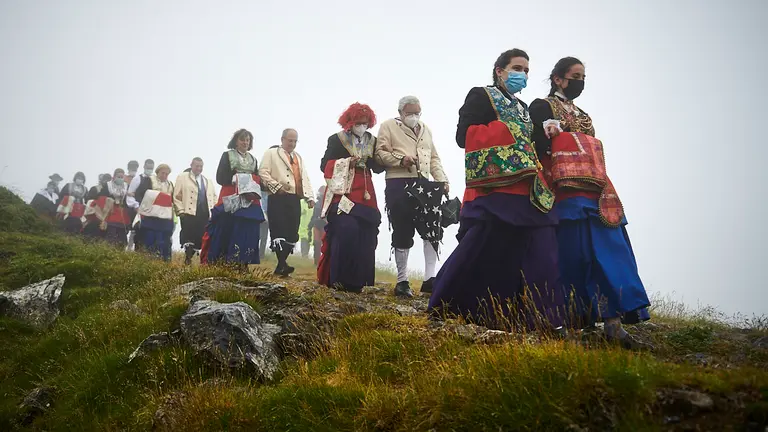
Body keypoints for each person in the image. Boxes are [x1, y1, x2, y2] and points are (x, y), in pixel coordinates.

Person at [428, 49, 565, 332]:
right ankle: (451, 303)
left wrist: (544, 132)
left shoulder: (524, 108)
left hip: (527, 188)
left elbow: (531, 144)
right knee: (485, 246)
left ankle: (531, 315)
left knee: (534, 248)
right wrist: (509, 130)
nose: (523, 74)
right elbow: (463, 135)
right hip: (496, 186)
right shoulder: (481, 95)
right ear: (499, 70)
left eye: (527, 70)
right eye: (517, 68)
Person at [529, 57, 651, 349]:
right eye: (575, 75)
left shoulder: (584, 114)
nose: (580, 81)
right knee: (574, 255)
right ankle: (577, 321)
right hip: (564, 191)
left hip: (595, 189)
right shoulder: (541, 106)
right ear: (558, 79)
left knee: (610, 250)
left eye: (583, 76)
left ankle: (613, 322)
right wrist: (550, 139)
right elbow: (535, 144)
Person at [376, 96, 450, 297]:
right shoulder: (388, 126)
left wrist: (442, 180)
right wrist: (401, 160)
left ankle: (429, 279)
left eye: (417, 112)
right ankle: (402, 280)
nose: (414, 116)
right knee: (402, 230)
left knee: (432, 229)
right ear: (400, 112)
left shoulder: (426, 129)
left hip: (424, 184)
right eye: (410, 113)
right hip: (399, 183)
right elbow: (380, 154)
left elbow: (434, 158)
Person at [317, 103, 383, 292]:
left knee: (367, 232)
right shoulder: (337, 140)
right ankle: (339, 279)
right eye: (358, 123)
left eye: (365, 123)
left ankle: (359, 281)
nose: (362, 126)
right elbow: (324, 165)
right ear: (350, 122)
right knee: (347, 229)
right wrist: (347, 163)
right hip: (343, 192)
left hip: (366, 192)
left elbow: (377, 167)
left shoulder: (372, 141)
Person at [200, 129, 265, 270]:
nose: (245, 142)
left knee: (247, 229)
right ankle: (223, 259)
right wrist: (233, 178)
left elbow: (257, 177)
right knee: (226, 226)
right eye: (242, 139)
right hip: (231, 194)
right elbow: (220, 177)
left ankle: (243, 261)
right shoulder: (227, 156)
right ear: (236, 141)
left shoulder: (253, 160)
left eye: (248, 140)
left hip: (249, 200)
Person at [259, 128, 315, 276]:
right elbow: (263, 172)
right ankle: (282, 264)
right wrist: (276, 187)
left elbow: (304, 177)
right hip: (277, 197)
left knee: (292, 232)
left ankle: (281, 264)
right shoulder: (271, 153)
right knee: (279, 230)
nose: (292, 143)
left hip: (294, 198)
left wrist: (309, 197)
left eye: (295, 141)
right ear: (282, 139)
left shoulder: (298, 157)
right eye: (290, 140)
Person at [174, 157, 217, 265]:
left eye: (201, 166)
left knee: (201, 237)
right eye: (196, 166)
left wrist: (214, 212)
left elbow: (214, 197)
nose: (199, 168)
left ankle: (198, 259)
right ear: (191, 165)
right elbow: (176, 196)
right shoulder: (183, 177)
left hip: (203, 213)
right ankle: (187, 259)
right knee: (189, 237)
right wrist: (180, 211)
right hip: (188, 212)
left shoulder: (207, 181)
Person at [134, 164, 175, 261]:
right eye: (162, 173)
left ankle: (163, 260)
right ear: (157, 172)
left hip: (164, 218)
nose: (164, 175)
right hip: (150, 217)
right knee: (150, 238)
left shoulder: (170, 184)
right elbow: (140, 195)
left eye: (166, 174)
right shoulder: (149, 180)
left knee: (164, 240)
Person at [127, 159, 156, 250]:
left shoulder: (155, 180)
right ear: (144, 167)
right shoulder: (137, 179)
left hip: (150, 211)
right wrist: (135, 206)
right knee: (135, 230)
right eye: (148, 167)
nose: (149, 169)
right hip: (138, 209)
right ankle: (129, 249)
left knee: (148, 232)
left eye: (151, 168)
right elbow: (130, 194)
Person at [83, 174, 112, 239]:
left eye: (108, 180)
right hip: (94, 215)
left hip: (105, 216)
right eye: (105, 179)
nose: (106, 181)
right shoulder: (95, 188)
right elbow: (88, 200)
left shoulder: (111, 191)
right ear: (102, 180)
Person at [309, 185, 327, 266]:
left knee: (325, 243)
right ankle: (316, 262)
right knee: (316, 243)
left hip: (324, 225)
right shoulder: (317, 204)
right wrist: (310, 225)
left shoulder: (327, 203)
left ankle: (324, 261)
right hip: (317, 224)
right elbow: (313, 216)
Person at [259, 190, 270, 260]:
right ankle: (255, 252)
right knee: (259, 235)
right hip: (259, 213)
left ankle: (261, 254)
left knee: (264, 236)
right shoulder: (259, 191)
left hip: (267, 214)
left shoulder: (269, 193)